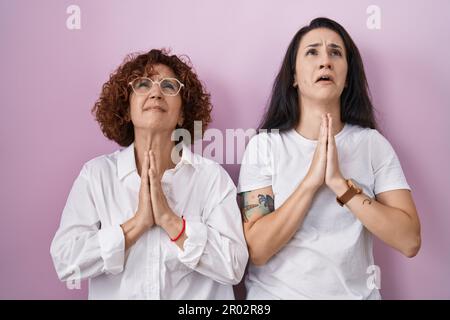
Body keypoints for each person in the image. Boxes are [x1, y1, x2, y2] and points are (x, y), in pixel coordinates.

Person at [237, 17, 421, 299]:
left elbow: (409, 241)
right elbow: (258, 251)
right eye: (312, 52)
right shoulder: (264, 146)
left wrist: (340, 185)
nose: (325, 61)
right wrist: (311, 182)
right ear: (295, 77)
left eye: (335, 52)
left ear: (347, 77)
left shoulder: (372, 145)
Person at [50, 49, 248, 299]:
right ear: (126, 108)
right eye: (143, 84)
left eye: (168, 86)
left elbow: (234, 267)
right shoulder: (96, 175)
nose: (156, 92)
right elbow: (66, 262)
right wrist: (136, 224)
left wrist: (171, 221)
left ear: (183, 113)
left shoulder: (211, 178)